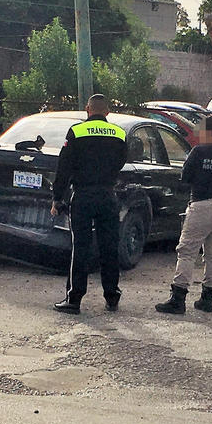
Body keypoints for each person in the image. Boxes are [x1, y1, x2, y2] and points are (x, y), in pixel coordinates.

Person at [51, 94, 128, 315]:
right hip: (107, 195)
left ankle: (74, 299)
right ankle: (112, 297)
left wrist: (57, 197)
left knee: (81, 247)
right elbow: (121, 161)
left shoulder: (76, 131)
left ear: (87, 109)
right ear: (107, 112)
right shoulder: (119, 133)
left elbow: (64, 167)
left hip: (83, 195)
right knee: (109, 247)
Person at [155, 115, 212, 315]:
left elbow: (185, 177)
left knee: (187, 251)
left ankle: (178, 298)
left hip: (202, 205)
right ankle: (207, 298)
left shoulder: (199, 151)